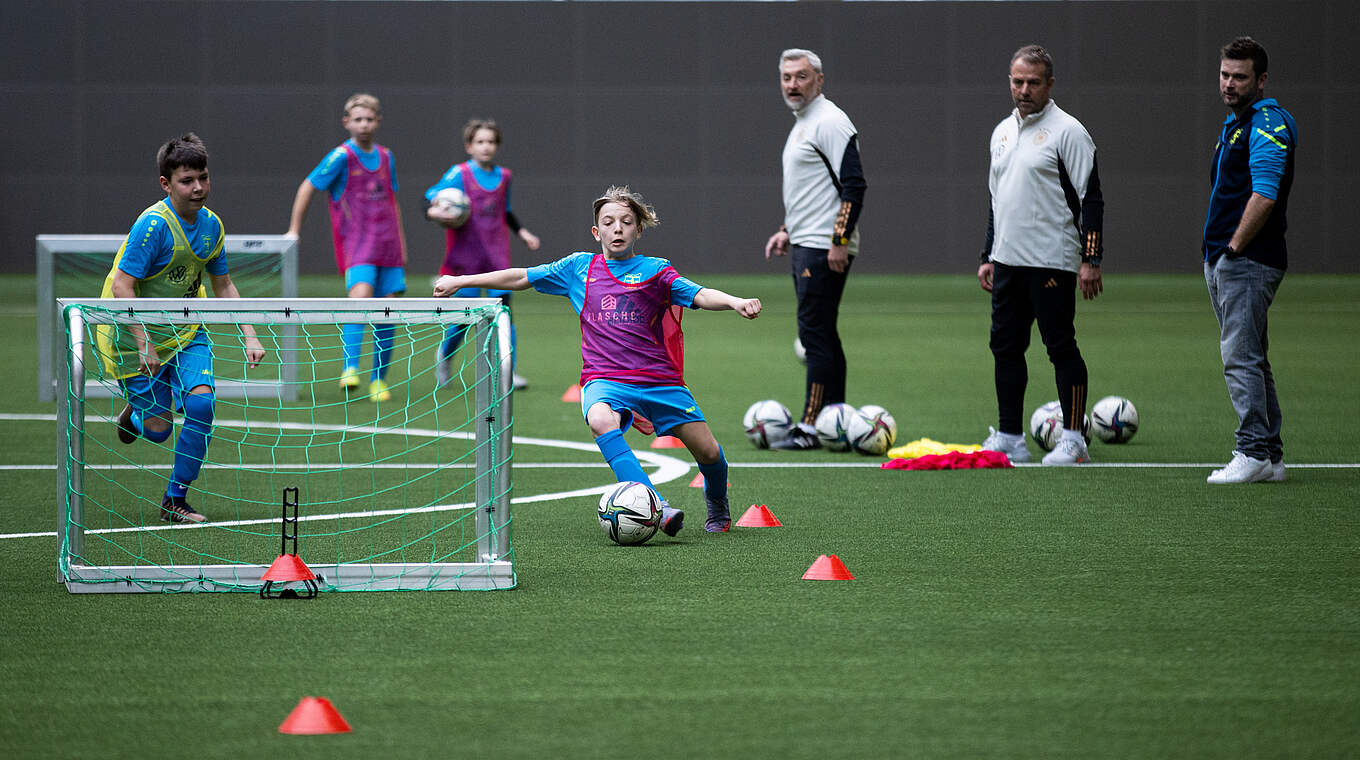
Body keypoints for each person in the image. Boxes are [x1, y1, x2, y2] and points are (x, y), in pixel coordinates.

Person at [434, 186, 762, 534]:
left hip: (659, 380)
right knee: (599, 419)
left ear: (638, 230)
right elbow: (520, 276)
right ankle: (655, 504)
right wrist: (462, 280)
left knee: (709, 453)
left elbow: (699, 294)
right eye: (608, 222)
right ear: (596, 231)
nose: (617, 228)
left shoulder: (656, 272)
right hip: (604, 379)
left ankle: (717, 504)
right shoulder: (579, 268)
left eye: (626, 222)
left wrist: (734, 301)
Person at [98, 133, 265, 523]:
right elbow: (123, 285)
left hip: (187, 332)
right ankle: (135, 417)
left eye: (203, 178)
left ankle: (175, 499)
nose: (198, 188)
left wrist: (249, 333)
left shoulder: (212, 226)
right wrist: (144, 343)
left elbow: (223, 284)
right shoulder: (153, 226)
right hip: (132, 339)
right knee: (158, 429)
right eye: (187, 181)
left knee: (202, 404)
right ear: (166, 184)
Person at [976, 45, 1105, 466]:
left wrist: (1091, 259)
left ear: (1050, 84)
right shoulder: (1001, 132)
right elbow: (997, 200)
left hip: (1052, 260)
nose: (1024, 89)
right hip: (1008, 260)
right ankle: (1011, 436)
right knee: (1005, 348)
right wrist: (988, 254)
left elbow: (1092, 198)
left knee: (1060, 346)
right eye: (1017, 81)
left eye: (1033, 82)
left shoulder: (1069, 131)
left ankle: (1073, 440)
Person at [1202, 37, 1296, 485]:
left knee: (1239, 357)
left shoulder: (1265, 124)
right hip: (1232, 260)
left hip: (1247, 260)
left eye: (1239, 76)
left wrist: (1233, 250)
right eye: (1224, 74)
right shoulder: (1236, 123)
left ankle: (1252, 450)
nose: (1229, 83)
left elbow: (1265, 193)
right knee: (1253, 358)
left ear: (1261, 80)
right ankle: (1271, 457)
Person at [763, 48, 866, 450]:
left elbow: (853, 185)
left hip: (824, 246)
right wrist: (788, 228)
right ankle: (833, 419)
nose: (793, 84)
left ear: (819, 80)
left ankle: (809, 427)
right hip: (807, 242)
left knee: (814, 334)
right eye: (787, 77)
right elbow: (813, 191)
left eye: (801, 76)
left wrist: (838, 240)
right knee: (822, 332)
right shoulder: (804, 122)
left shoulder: (831, 122)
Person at [286, 93, 407, 403]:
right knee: (360, 299)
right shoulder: (341, 157)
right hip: (358, 245)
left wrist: (401, 245)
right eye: (358, 119)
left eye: (369, 119)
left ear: (378, 121)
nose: (364, 124)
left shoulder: (387, 156)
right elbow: (307, 187)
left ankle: (378, 380)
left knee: (387, 310)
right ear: (347, 122)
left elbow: (393, 203)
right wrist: (294, 230)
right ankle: (349, 368)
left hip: (388, 245)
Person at [425, 119, 541, 391]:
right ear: (469, 146)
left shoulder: (504, 176)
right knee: (464, 318)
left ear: (496, 146)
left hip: (496, 255)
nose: (486, 146)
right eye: (480, 141)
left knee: (504, 314)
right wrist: (436, 212)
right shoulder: (458, 174)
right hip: (464, 258)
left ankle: (507, 370)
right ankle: (444, 357)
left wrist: (523, 232)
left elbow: (506, 211)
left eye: (490, 141)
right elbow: (430, 199)